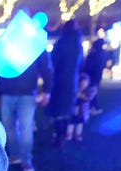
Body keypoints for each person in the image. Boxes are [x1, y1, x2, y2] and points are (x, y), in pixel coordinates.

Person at [0, 51, 52, 171]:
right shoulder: (8, 44)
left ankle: (26, 160)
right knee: (8, 126)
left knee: (26, 127)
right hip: (7, 91)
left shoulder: (34, 44)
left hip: (27, 93)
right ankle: (15, 154)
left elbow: (46, 67)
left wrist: (47, 90)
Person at [45, 19, 83, 148]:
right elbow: (80, 63)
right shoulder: (78, 44)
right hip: (72, 82)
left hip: (59, 81)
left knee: (58, 110)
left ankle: (59, 135)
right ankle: (63, 135)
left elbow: (53, 62)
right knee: (67, 110)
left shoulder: (62, 43)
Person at [66, 72, 97, 142]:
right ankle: (69, 134)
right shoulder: (75, 90)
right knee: (71, 122)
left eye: (85, 83)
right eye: (82, 83)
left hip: (82, 111)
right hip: (73, 110)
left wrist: (81, 96)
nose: (83, 85)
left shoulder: (88, 91)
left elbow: (88, 98)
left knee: (80, 123)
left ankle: (78, 134)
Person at [82, 38, 107, 114]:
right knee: (93, 92)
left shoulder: (94, 55)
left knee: (90, 92)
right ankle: (93, 107)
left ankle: (95, 107)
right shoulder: (103, 54)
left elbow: (88, 66)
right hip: (97, 77)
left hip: (91, 77)